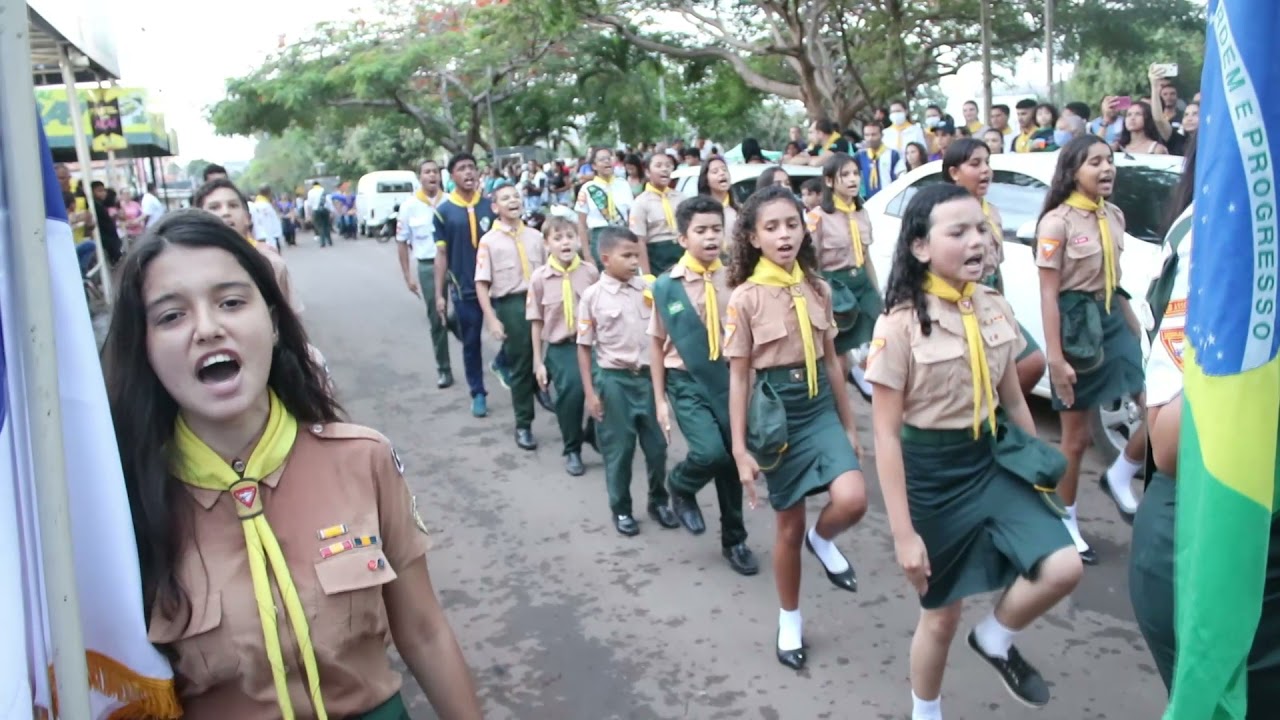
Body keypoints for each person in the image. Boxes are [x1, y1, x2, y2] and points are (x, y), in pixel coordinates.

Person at [100, 209, 483, 719]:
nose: (207, 329)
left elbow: (425, 631)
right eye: (172, 316)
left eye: (231, 302)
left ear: (275, 321)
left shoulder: (362, 458)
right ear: (143, 348)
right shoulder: (122, 503)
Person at [868, 184, 1083, 718]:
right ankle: (926, 710)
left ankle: (994, 637)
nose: (977, 241)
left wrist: (1036, 464)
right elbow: (885, 436)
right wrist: (903, 535)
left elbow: (1013, 397)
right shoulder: (897, 324)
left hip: (993, 460)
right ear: (920, 247)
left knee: (1062, 566)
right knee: (941, 615)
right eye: (958, 231)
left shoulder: (993, 305)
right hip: (932, 476)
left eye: (981, 229)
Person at [724, 185, 868, 670]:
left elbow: (832, 362)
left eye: (791, 224)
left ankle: (823, 540)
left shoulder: (817, 288)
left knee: (853, 498)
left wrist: (850, 425)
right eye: (771, 227)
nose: (784, 235)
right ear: (753, 237)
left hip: (819, 406)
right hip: (776, 415)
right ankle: (790, 618)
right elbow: (739, 377)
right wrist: (740, 449)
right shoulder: (744, 299)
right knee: (789, 525)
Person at [1036, 136, 1147, 562]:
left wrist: (1131, 323)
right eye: (1095, 162)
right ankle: (1066, 520)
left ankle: (1121, 472)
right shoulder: (1056, 224)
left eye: (1109, 160)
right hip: (1076, 327)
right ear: (1072, 171)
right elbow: (1049, 294)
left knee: (1156, 408)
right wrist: (1055, 357)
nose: (1106, 168)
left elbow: (1113, 278)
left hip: (1112, 319)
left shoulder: (1113, 215)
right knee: (1077, 438)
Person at [649, 196, 759, 576]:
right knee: (710, 452)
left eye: (716, 229)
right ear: (683, 238)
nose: (711, 237)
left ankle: (735, 539)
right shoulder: (666, 287)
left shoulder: (735, 279)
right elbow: (656, 343)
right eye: (701, 231)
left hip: (730, 379)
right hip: (686, 382)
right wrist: (660, 399)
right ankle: (680, 484)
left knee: (731, 458)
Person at [577, 228, 680, 536]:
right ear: (606, 259)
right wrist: (590, 393)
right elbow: (584, 347)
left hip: (648, 379)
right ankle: (621, 509)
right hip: (614, 381)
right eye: (627, 256)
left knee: (658, 447)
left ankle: (658, 501)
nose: (635, 261)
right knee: (619, 451)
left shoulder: (649, 287)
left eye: (637, 255)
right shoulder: (593, 297)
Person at [941, 139, 1047, 396]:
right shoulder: (942, 215)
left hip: (989, 303)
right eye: (975, 164)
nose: (985, 170)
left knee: (1032, 362)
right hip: (957, 305)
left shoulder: (992, 212)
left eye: (987, 163)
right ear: (954, 173)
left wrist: (1002, 306)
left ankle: (997, 412)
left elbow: (994, 270)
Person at [477, 184, 546, 450]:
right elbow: (482, 283)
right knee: (521, 364)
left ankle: (541, 386)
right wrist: (492, 318)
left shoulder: (536, 236)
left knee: (552, 354)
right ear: (495, 207)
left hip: (541, 299)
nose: (513, 201)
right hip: (513, 304)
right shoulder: (489, 241)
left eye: (516, 196)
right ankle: (524, 424)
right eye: (505, 198)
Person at [528, 216, 599, 476]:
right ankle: (572, 448)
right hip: (562, 347)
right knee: (572, 394)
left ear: (579, 241)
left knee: (608, 389)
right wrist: (538, 361)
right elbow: (536, 321)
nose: (565, 243)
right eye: (557, 238)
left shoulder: (590, 273)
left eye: (570, 236)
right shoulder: (540, 278)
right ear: (547, 245)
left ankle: (593, 432)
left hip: (592, 343)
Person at [809, 152, 883, 401]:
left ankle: (868, 383)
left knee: (881, 339)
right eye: (845, 175)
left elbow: (866, 257)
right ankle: (839, 407)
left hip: (862, 283)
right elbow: (812, 263)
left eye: (855, 174)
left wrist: (877, 291)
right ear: (830, 181)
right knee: (838, 355)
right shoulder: (819, 217)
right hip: (837, 288)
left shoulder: (862, 213)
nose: (853, 180)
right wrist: (820, 297)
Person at [435, 152, 504, 418]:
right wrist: (440, 294)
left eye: (472, 167)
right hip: (464, 287)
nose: (468, 172)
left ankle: (502, 363)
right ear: (452, 175)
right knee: (471, 342)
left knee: (515, 330)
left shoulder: (491, 206)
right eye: (462, 168)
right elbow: (442, 255)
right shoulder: (443, 212)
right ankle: (477, 392)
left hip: (497, 285)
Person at [396, 158, 454, 389]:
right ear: (420, 177)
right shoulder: (409, 206)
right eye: (427, 172)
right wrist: (408, 276)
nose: (432, 176)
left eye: (435, 172)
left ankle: (456, 327)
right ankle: (444, 369)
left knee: (465, 312)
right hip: (428, 265)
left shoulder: (450, 201)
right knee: (436, 318)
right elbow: (401, 242)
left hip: (453, 262)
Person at [628, 152, 687, 276]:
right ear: (647, 172)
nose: (664, 169)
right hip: (657, 257)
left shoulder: (680, 198)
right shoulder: (640, 202)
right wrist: (646, 275)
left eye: (668, 165)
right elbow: (639, 241)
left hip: (682, 252)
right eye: (658, 166)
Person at [576, 146, 635, 267]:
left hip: (622, 236)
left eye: (609, 158)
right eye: (602, 159)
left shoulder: (623, 184)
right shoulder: (588, 189)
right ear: (594, 166)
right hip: (599, 239)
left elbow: (632, 216)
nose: (607, 162)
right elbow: (581, 224)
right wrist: (587, 254)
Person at [854, 121, 905, 199]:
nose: (870, 138)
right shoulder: (860, 155)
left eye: (874, 135)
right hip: (869, 201)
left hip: (890, 199)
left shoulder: (893, 154)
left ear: (882, 135)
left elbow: (902, 177)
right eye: (867, 135)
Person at [250, 185, 284, 251]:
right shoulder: (265, 205)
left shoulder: (256, 204)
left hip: (264, 237)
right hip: (270, 236)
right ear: (269, 192)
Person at [307, 181, 335, 247]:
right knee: (326, 225)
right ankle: (329, 241)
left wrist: (309, 214)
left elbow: (309, 204)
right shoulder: (324, 191)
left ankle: (322, 242)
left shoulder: (310, 192)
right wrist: (332, 211)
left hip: (316, 210)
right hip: (325, 210)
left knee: (320, 226)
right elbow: (329, 202)